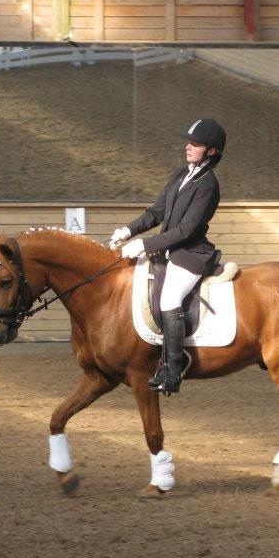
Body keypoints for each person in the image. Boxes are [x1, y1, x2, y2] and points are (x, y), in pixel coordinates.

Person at [111, 119, 226, 395]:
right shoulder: (181, 174)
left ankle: (173, 369)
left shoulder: (208, 185)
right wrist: (128, 230)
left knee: (170, 298)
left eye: (195, 144)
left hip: (191, 255)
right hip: (168, 251)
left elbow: (186, 230)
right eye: (189, 141)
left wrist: (146, 245)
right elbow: (156, 213)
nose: (188, 146)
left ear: (210, 151)